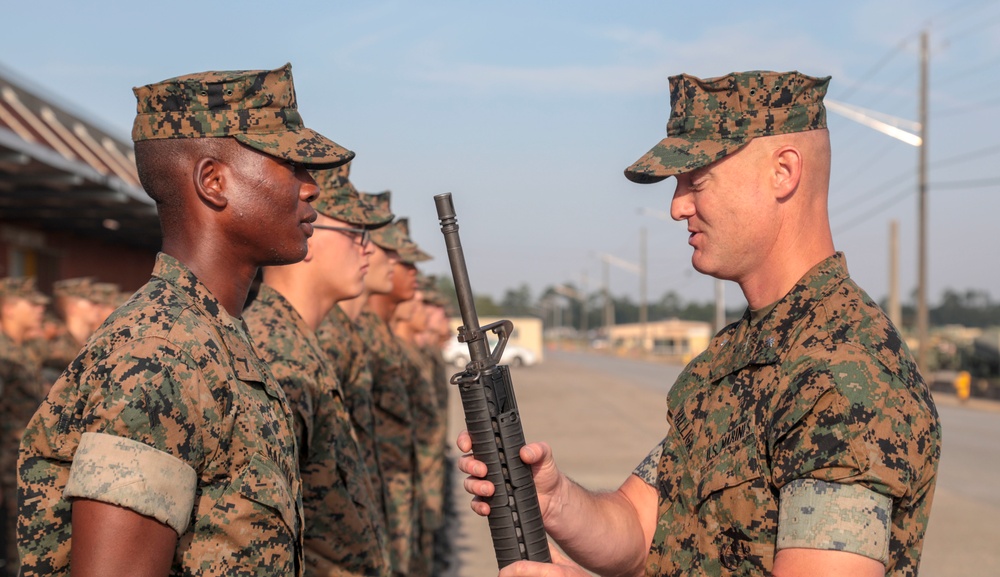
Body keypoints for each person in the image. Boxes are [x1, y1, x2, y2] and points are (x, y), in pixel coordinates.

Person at [458, 71, 942, 577]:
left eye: (697, 180)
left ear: (783, 172)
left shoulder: (842, 373)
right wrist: (553, 500)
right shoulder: (737, 355)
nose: (677, 206)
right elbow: (640, 528)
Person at [17, 63, 352, 577]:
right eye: (290, 164)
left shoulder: (213, 337)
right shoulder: (157, 354)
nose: (311, 189)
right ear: (213, 181)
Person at [243, 161, 393, 577]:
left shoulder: (302, 346)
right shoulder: (273, 355)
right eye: (353, 234)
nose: (367, 248)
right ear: (306, 232)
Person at [0, 277, 48, 577]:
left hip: (20, 466)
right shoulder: (4, 354)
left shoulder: (25, 351)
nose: (39, 310)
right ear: (8, 307)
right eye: (31, 304)